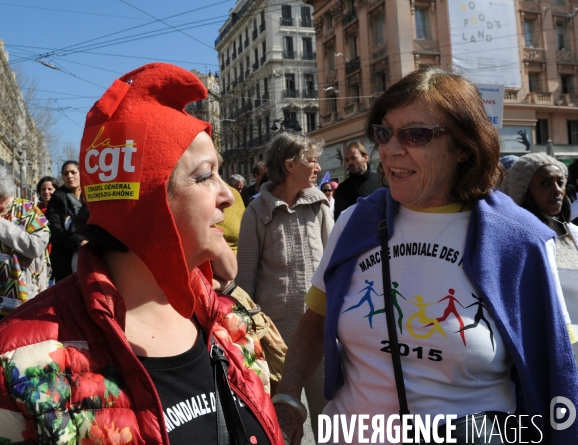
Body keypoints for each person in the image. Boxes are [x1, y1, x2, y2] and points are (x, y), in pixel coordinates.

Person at [0, 64, 281, 443]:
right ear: (145, 204)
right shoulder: (16, 362)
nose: (228, 195)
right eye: (205, 176)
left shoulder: (233, 328)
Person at [274, 67, 578, 445]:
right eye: (384, 132)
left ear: (465, 149)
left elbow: (556, 363)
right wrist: (287, 396)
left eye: (415, 134)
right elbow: (316, 321)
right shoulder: (356, 221)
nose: (390, 149)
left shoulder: (520, 241)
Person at [236, 132, 333, 441]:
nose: (318, 167)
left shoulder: (320, 207)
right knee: (278, 424)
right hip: (273, 342)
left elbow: (335, 269)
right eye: (312, 160)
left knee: (328, 416)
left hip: (319, 331)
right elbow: (245, 282)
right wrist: (248, 336)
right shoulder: (257, 213)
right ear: (291, 165)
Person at [501, 153, 578, 359]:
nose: (557, 190)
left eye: (560, 182)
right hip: (542, 350)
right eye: (545, 183)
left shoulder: (575, 234)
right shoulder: (513, 240)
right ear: (523, 190)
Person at [0, 164, 50, 338]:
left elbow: (36, 246)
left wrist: (1, 225)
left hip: (18, 296)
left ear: (4, 194)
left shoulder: (27, 210)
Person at [46, 160, 87, 281]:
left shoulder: (92, 195)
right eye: (65, 173)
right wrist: (78, 242)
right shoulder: (56, 199)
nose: (69, 176)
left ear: (81, 174)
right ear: (62, 177)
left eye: (73, 172)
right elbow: (54, 229)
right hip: (65, 259)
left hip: (91, 252)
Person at [333, 141, 382, 220]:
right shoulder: (342, 190)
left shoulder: (382, 180)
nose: (350, 163)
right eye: (347, 160)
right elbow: (340, 223)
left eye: (353, 158)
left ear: (365, 157)